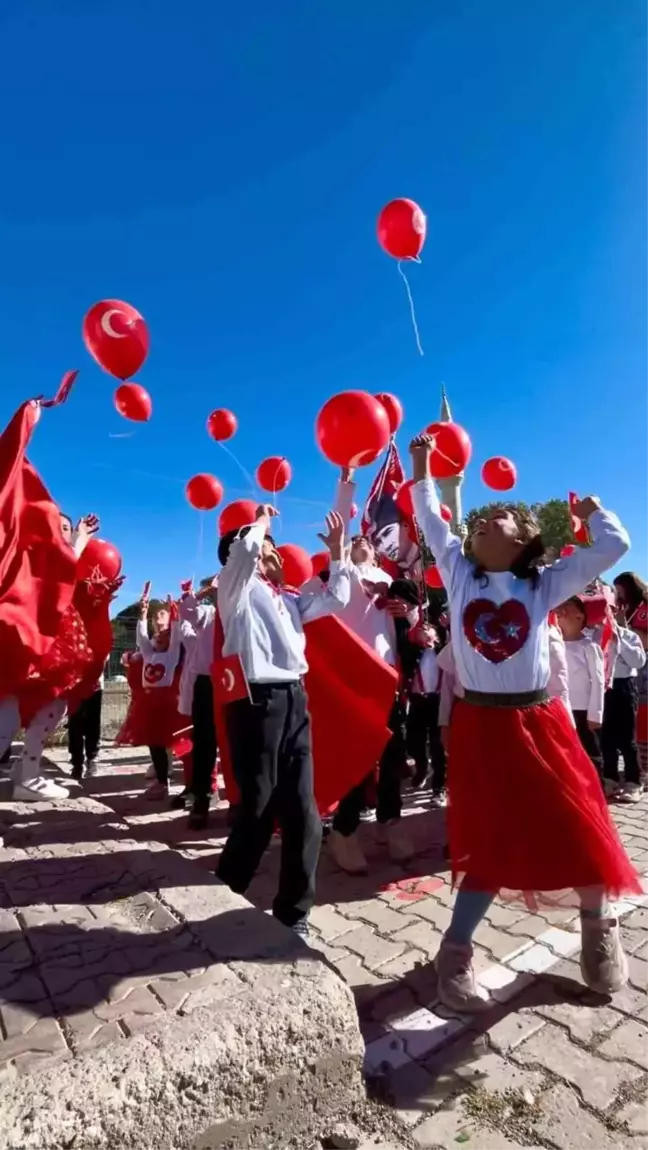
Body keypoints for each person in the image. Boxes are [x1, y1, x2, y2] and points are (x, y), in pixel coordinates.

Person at [409, 432, 640, 1012]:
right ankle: (454, 956)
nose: (488, 519)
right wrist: (419, 465)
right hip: (482, 729)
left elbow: (614, 545)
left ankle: (598, 928)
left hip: (543, 723)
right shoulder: (458, 575)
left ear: (527, 542)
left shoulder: (544, 584)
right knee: (487, 842)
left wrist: (591, 514)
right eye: (482, 518)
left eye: (505, 518)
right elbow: (430, 516)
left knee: (581, 823)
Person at [216, 504, 349, 936]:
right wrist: (259, 526)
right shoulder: (234, 590)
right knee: (257, 807)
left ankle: (294, 914)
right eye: (265, 548)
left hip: (294, 698)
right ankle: (224, 890)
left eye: (273, 547)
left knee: (303, 813)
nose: (272, 553)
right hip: (257, 702)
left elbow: (337, 598)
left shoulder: (290, 597)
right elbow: (243, 554)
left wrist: (338, 552)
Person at [326, 468, 416, 872]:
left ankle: (390, 822)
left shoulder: (390, 580)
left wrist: (408, 614)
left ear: (378, 554)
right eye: (356, 540)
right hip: (351, 680)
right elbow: (340, 530)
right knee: (358, 759)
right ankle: (343, 831)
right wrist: (347, 482)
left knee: (393, 755)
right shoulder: (343, 572)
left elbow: (410, 630)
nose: (361, 540)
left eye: (367, 540)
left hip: (388, 680)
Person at [116, 596, 183, 799]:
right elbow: (142, 637)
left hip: (169, 704)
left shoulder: (173, 653)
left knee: (176, 743)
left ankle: (192, 777)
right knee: (155, 743)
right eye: (158, 633)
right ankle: (162, 782)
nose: (160, 637)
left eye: (165, 633)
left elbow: (178, 632)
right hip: (149, 704)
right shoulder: (148, 652)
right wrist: (143, 614)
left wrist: (175, 613)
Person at [177, 581, 219, 829]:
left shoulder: (247, 610)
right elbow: (187, 611)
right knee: (204, 745)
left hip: (240, 679)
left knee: (238, 747)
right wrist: (205, 592)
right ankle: (201, 803)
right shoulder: (210, 614)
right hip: (208, 683)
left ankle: (238, 804)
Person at [600, 600, 647, 802]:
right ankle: (610, 779)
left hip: (624, 686)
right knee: (605, 738)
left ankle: (633, 782)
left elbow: (638, 661)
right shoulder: (594, 636)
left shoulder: (630, 636)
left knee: (628, 738)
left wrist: (618, 637)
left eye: (611, 610)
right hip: (603, 688)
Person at [555, 597, 604, 780]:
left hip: (582, 710)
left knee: (589, 751)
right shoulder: (553, 643)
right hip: (560, 707)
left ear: (580, 616)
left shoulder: (589, 647)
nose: (562, 610)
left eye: (567, 606)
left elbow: (598, 682)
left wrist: (595, 715)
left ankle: (596, 786)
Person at [406, 621, 447, 804]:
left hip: (437, 700)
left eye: (428, 628)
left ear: (436, 635)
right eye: (421, 628)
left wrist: (447, 626)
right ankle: (422, 767)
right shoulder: (412, 651)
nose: (424, 629)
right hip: (417, 700)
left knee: (438, 746)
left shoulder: (442, 651)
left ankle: (439, 788)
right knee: (415, 741)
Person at [68, 665, 105, 781]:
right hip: (74, 683)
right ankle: (77, 763)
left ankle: (92, 758)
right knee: (74, 723)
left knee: (93, 723)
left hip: (95, 683)